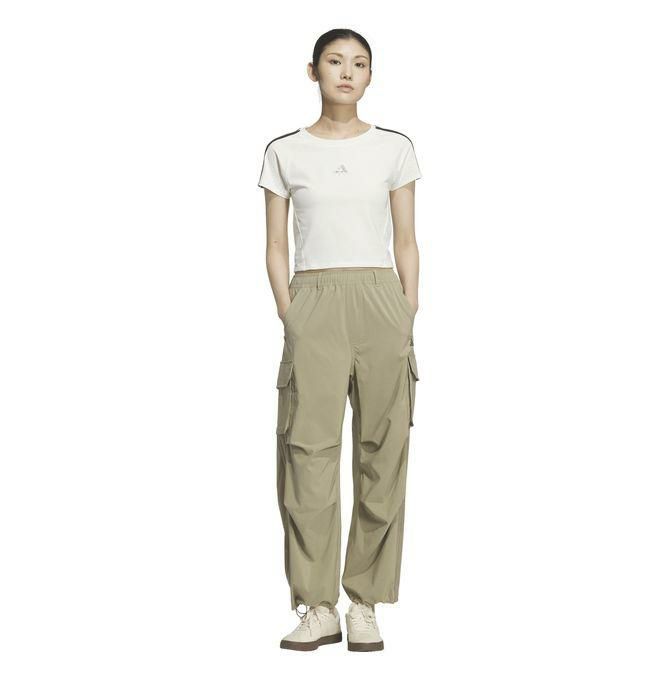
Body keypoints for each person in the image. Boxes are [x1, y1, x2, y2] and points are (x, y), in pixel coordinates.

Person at [258, 28, 422, 652]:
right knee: (308, 454)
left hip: (381, 298)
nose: (347, 72)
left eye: (359, 63)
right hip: (314, 300)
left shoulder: (394, 149)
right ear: (313, 71)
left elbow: (406, 238)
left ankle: (365, 603)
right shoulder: (285, 152)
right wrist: (290, 312)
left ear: (370, 76)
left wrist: (406, 309)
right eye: (335, 61)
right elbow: (276, 243)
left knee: (383, 451)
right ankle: (317, 605)